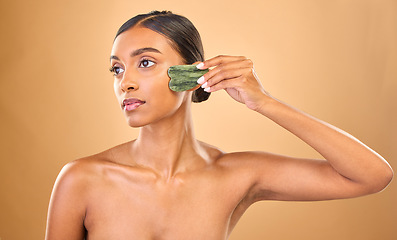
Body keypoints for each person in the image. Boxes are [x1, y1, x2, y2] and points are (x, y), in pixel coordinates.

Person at [45, 10, 393, 240]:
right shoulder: (82, 179)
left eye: (146, 62)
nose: (126, 83)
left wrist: (264, 102)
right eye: (117, 69)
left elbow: (372, 175)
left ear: (192, 75)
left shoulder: (236, 175)